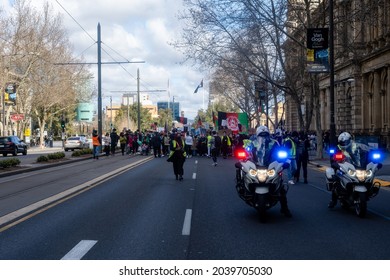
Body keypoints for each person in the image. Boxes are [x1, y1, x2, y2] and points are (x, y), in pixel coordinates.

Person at [247, 125, 292, 217]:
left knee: (281, 187)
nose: (263, 137)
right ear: (257, 134)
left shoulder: (274, 142)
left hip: (271, 166)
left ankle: (285, 208)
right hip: (257, 165)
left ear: (268, 134)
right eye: (261, 135)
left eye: (265, 135)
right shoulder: (252, 142)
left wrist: (284, 159)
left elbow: (280, 152)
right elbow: (247, 152)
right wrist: (244, 157)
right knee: (246, 175)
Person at [328, 131, 370, 208]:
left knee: (368, 175)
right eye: (342, 142)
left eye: (346, 141)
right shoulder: (337, 148)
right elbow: (333, 159)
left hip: (356, 167)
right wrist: (335, 164)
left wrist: (371, 158)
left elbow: (364, 153)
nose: (344, 143)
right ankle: (333, 200)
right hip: (343, 168)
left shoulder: (357, 147)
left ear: (350, 140)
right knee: (335, 180)